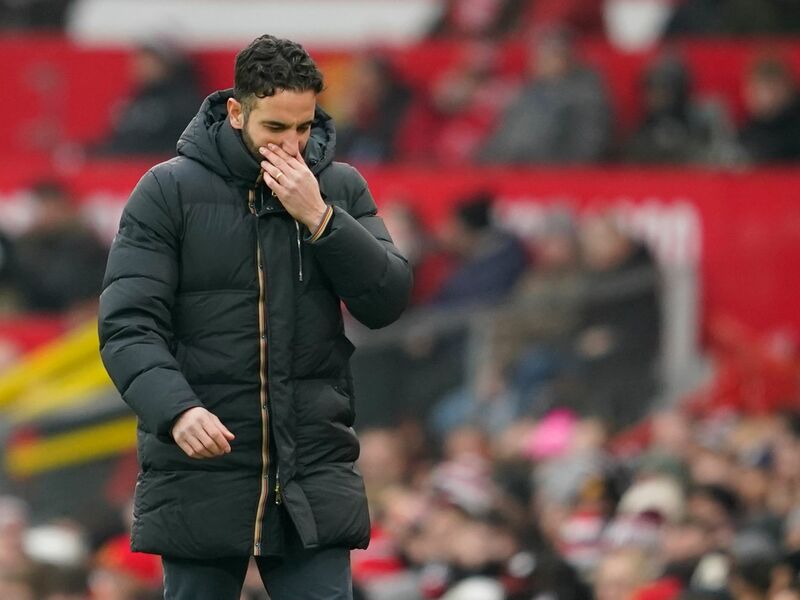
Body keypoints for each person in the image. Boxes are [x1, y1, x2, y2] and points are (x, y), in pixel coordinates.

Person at [98, 34, 412, 600]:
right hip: (201, 465)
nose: (293, 145)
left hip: (312, 465)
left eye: (304, 127)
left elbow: (386, 300)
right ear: (237, 112)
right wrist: (176, 410)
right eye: (275, 129)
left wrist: (321, 219)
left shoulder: (338, 186)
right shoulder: (167, 190)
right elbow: (127, 326)